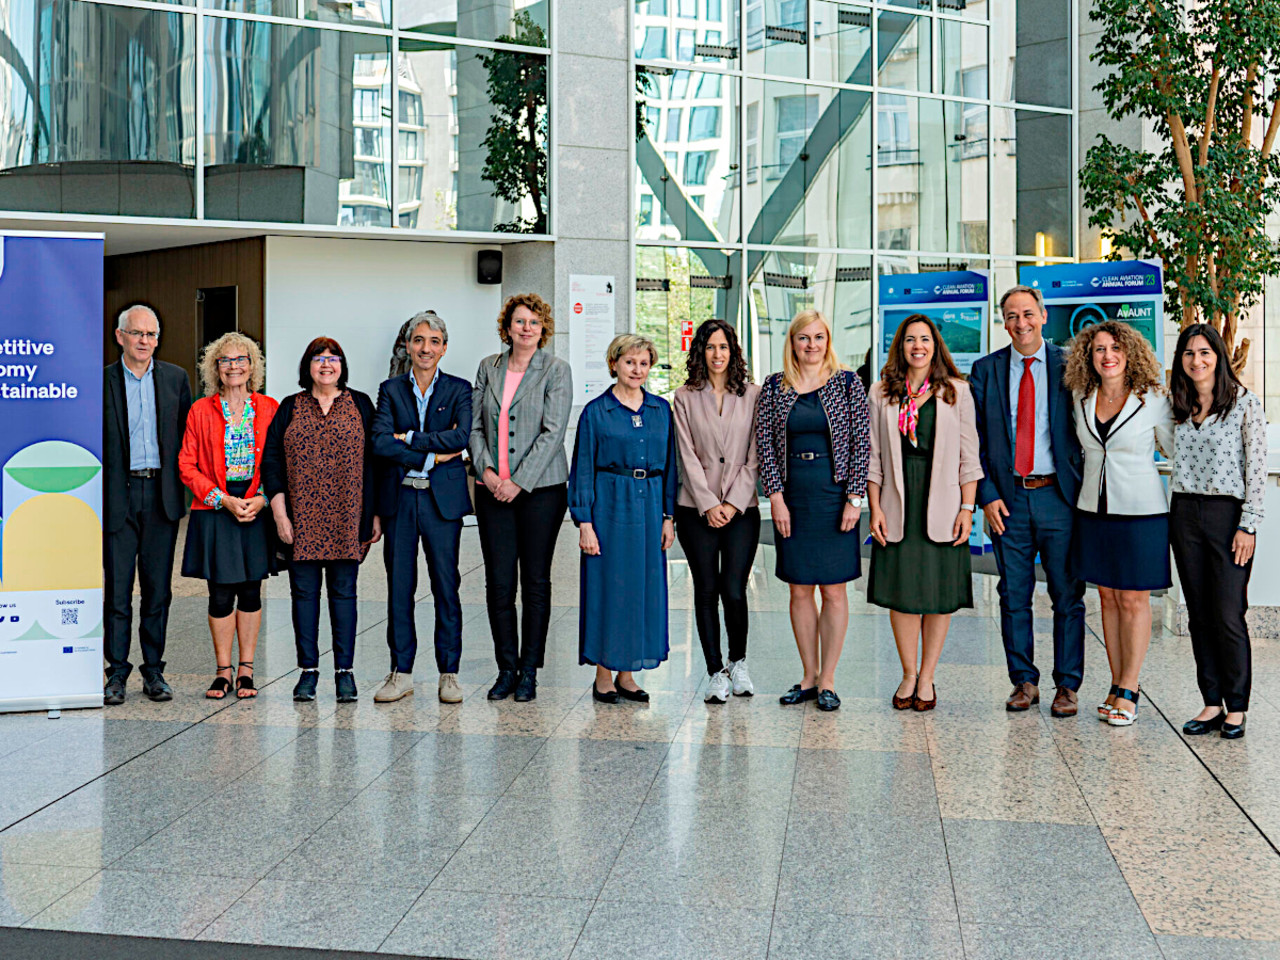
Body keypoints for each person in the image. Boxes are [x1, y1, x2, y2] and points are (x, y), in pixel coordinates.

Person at [969, 286, 1084, 717]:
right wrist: (987, 496)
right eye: (1013, 316)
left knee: (1067, 595)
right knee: (1013, 594)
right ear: (1004, 322)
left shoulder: (1070, 365)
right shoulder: (986, 370)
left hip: (1059, 497)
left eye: (1028, 314)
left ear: (1043, 316)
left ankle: (1067, 685)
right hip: (1008, 500)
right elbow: (974, 440)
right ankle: (1024, 681)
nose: (1022, 323)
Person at [867, 315, 983, 712]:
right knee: (901, 595)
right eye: (910, 340)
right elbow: (873, 460)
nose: (918, 346)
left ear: (935, 347)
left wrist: (967, 508)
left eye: (925, 339)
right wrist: (875, 508)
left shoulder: (957, 392)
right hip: (897, 504)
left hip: (944, 505)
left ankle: (928, 676)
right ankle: (908, 673)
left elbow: (969, 457)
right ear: (900, 347)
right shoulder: (882, 392)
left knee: (937, 595)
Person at [756, 310, 869, 712]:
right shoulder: (775, 386)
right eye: (803, 337)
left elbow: (862, 442)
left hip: (834, 495)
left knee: (834, 590)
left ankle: (829, 680)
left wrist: (855, 498)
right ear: (792, 342)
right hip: (793, 497)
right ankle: (808, 676)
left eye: (818, 337)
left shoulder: (847, 382)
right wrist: (776, 497)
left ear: (827, 341)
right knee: (799, 588)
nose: (811, 345)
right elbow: (765, 445)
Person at [1064, 320, 1174, 727]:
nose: (1107, 355)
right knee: (1108, 598)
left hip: (1141, 513)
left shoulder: (1154, 398)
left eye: (1115, 348)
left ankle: (1130, 686)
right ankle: (1115, 683)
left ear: (1129, 353)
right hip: (1093, 511)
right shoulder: (1081, 396)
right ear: (1088, 357)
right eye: (1099, 349)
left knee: (1133, 600)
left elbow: (1175, 448)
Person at [262, 338, 382, 704]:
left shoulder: (361, 404)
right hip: (301, 522)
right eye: (318, 358)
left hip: (348, 518)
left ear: (342, 365)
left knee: (344, 595)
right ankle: (308, 671)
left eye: (333, 358)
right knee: (304, 596)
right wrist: (280, 514)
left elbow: (377, 462)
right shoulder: (290, 406)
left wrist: (376, 513)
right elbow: (271, 462)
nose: (326, 364)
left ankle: (345, 672)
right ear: (307, 366)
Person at [469, 293, 572, 702]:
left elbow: (553, 432)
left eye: (534, 322)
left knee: (535, 581)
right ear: (507, 327)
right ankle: (506, 668)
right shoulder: (488, 367)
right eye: (519, 321)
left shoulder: (556, 370)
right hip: (491, 490)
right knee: (498, 583)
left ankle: (529, 670)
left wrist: (518, 481)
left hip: (540, 492)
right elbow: (475, 427)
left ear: (542, 328)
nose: (526, 328)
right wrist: (488, 472)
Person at [1169, 324, 1267, 741]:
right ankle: (1211, 702)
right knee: (1199, 614)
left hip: (1228, 517)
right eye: (1189, 353)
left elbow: (1257, 467)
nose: (1197, 361)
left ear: (1219, 357)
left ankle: (1237, 706)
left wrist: (1249, 524)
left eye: (1205, 352)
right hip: (1184, 513)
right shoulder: (1177, 405)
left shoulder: (1244, 403)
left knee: (1228, 613)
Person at [569, 334, 677, 704]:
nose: (637, 369)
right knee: (608, 587)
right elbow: (583, 468)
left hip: (649, 507)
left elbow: (672, 467)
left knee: (640, 589)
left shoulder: (661, 410)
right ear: (614, 363)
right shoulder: (596, 412)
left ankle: (627, 674)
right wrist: (585, 522)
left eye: (644, 363)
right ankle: (603, 675)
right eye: (630, 362)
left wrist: (668, 517)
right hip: (609, 507)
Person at [372, 311, 472, 704]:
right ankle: (402, 672)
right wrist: (432, 454)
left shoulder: (459, 389)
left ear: (444, 348)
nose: (425, 348)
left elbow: (461, 438)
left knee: (446, 586)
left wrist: (410, 438)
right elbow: (381, 441)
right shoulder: (390, 389)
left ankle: (449, 673)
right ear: (408, 346)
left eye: (433, 341)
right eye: (418, 340)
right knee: (400, 587)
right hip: (400, 499)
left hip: (440, 502)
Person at [178, 333, 278, 700]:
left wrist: (263, 499)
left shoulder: (270, 407)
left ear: (252, 366)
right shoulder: (200, 410)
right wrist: (223, 500)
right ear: (215, 368)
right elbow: (186, 465)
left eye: (241, 359)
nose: (233, 366)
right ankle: (223, 671)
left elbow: (281, 462)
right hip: (216, 510)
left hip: (256, 509)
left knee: (251, 591)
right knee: (220, 594)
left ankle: (246, 670)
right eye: (225, 360)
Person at [103, 305, 193, 705]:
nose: (144, 341)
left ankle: (154, 670)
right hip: (118, 497)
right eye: (137, 333)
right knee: (118, 590)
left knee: (157, 591)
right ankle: (116, 672)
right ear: (120, 336)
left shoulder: (175, 378)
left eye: (151, 334)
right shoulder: (102, 380)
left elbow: (187, 438)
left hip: (161, 496)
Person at [673, 320, 761, 704]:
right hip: (695, 509)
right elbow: (686, 455)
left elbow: (756, 454)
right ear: (700, 352)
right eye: (710, 347)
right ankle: (715, 672)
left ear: (733, 351)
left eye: (723, 346)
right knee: (706, 589)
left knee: (734, 589)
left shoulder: (753, 395)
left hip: (742, 509)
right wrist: (709, 503)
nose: (717, 354)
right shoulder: (684, 397)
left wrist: (732, 502)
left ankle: (738, 662)